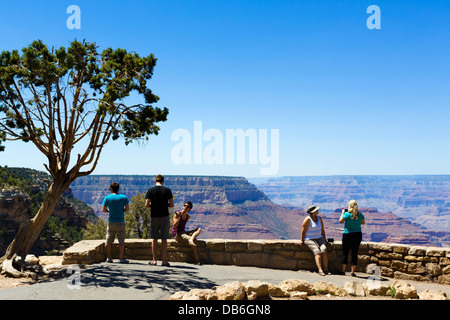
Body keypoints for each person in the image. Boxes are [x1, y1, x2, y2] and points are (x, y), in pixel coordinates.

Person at [145, 174, 174, 266]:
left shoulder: (150, 190)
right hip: (164, 216)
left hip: (154, 216)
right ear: (163, 181)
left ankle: (154, 260)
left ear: (155, 181)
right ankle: (164, 261)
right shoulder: (167, 190)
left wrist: (153, 206)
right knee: (164, 239)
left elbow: (146, 204)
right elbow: (172, 204)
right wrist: (165, 205)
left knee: (154, 239)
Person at [102, 182, 130, 264]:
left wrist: (109, 211)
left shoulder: (107, 198)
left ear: (111, 188)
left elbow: (103, 210)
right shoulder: (123, 197)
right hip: (120, 221)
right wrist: (122, 211)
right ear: (118, 188)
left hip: (111, 222)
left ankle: (109, 258)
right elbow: (127, 209)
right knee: (121, 241)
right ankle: (121, 258)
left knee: (108, 240)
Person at [299, 205, 330, 276]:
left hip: (319, 237)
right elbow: (303, 231)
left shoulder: (319, 219)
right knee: (317, 252)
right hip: (309, 238)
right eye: (316, 210)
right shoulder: (307, 219)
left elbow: (322, 230)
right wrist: (301, 240)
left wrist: (324, 239)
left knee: (324, 250)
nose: (318, 211)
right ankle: (320, 270)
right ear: (313, 212)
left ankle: (326, 269)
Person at [339, 200, 365, 276]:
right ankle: (353, 272)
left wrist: (342, 213)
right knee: (354, 253)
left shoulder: (346, 214)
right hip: (357, 235)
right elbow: (363, 223)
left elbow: (340, 221)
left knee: (345, 252)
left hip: (347, 234)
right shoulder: (360, 214)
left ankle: (343, 271)